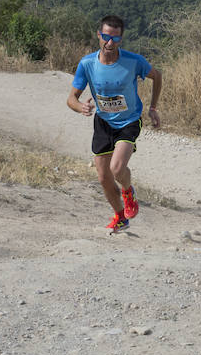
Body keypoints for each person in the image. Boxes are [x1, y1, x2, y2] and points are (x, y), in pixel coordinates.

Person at [67, 15, 162, 233]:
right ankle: (121, 217)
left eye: (116, 38)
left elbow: (157, 76)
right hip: (103, 122)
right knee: (103, 177)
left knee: (117, 168)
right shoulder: (87, 63)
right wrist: (79, 106)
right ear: (98, 35)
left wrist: (153, 108)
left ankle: (128, 191)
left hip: (129, 121)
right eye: (106, 37)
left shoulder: (133, 61)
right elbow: (71, 98)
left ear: (122, 38)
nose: (110, 43)